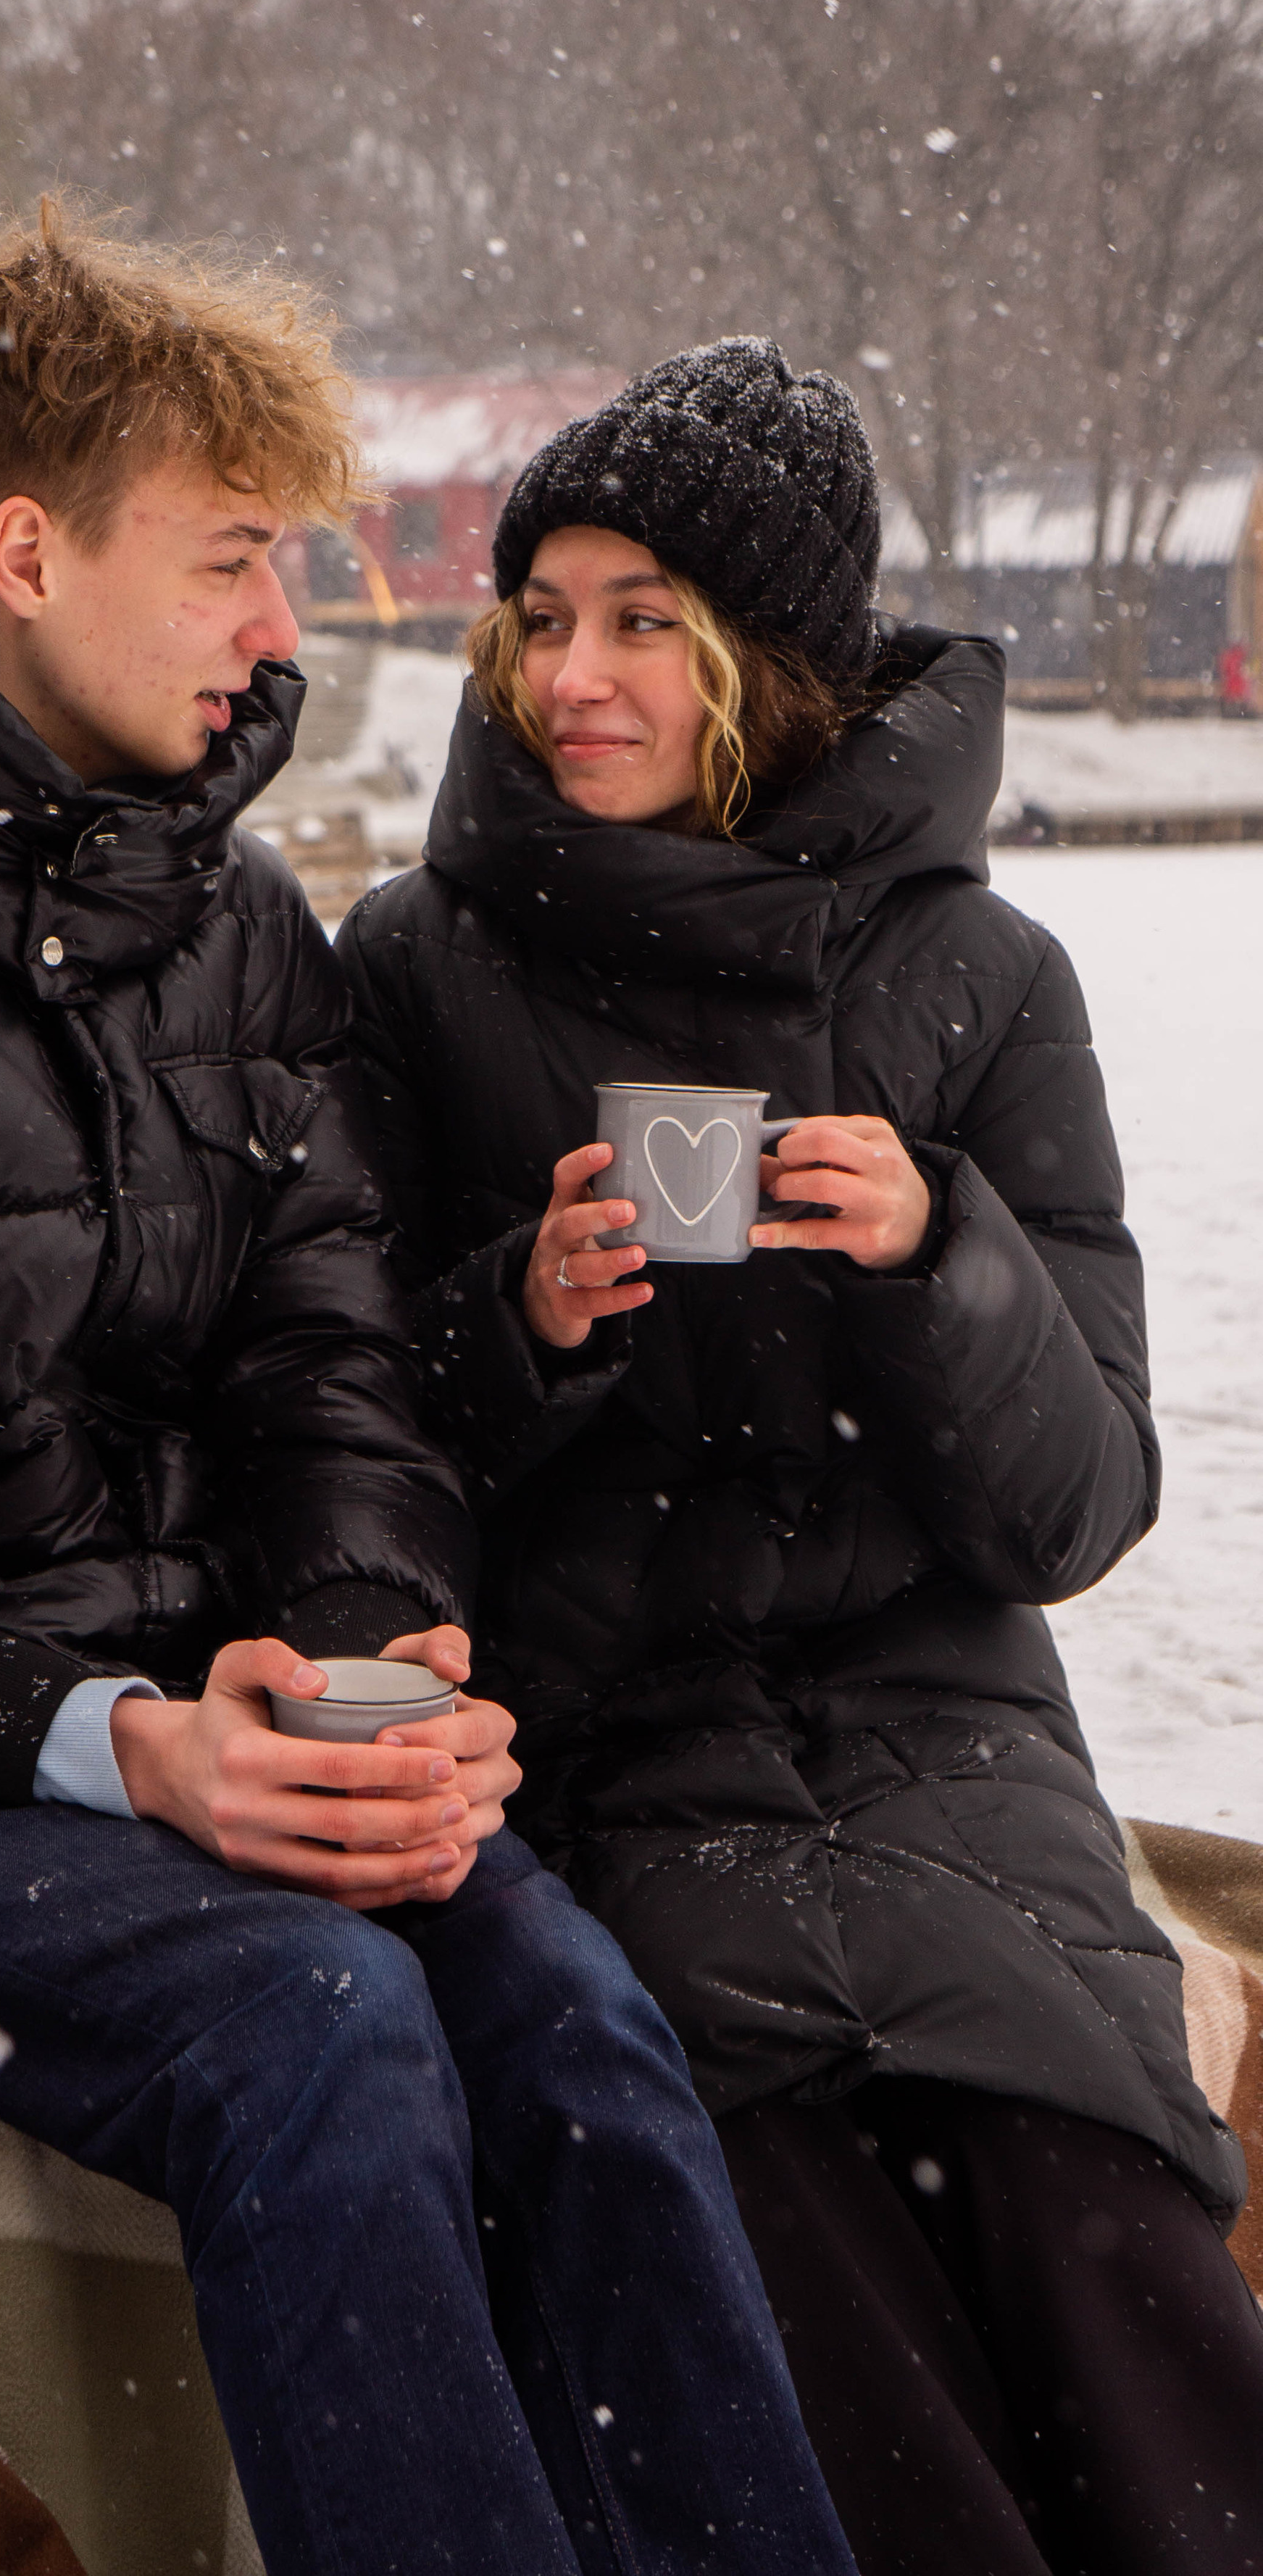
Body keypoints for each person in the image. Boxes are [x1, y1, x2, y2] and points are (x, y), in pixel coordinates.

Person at [0, 224, 858, 2576]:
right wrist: (110, 1738)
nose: (286, 631)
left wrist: (391, 1667)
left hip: (230, 1742)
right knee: (321, 2026)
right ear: (29, 551)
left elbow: (335, 1372)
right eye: (236, 561)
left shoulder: (235, 928)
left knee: (576, 2032)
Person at [337, 336, 1263, 2576]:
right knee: (784, 2236)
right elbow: (331, 1431)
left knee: (1087, 2203)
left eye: (646, 619)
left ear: (776, 660)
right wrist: (522, 1319)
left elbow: (1077, 1508)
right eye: (543, 617)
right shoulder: (415, 962)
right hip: (613, 1736)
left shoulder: (982, 980)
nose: (575, 673)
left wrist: (940, 1256)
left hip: (942, 1736)